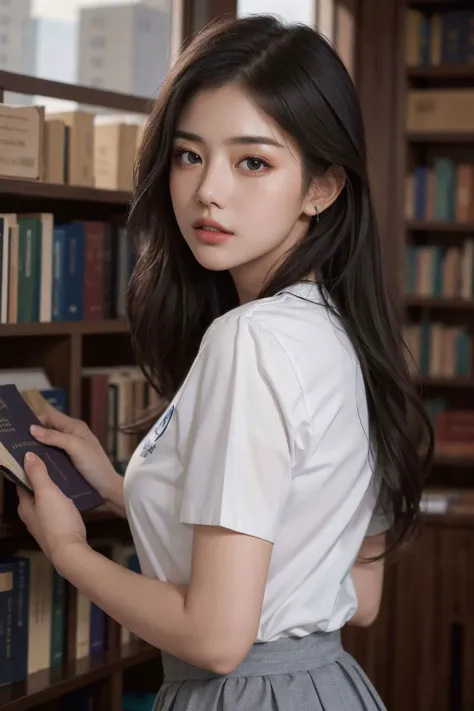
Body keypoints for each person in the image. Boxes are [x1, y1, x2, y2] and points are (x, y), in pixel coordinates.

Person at [19, 14, 433, 711]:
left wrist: (69, 551)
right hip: (330, 688)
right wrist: (122, 491)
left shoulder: (253, 339)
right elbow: (354, 594)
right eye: (188, 155)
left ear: (322, 188)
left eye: (253, 162)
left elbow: (215, 637)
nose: (208, 190)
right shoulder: (342, 332)